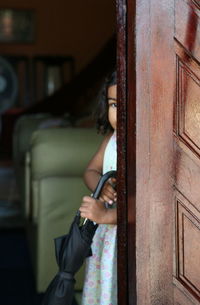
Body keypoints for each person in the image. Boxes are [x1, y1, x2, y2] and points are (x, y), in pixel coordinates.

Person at [79, 70, 117, 305]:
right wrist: (100, 187)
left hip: (124, 233)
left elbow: (146, 202)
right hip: (105, 235)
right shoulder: (110, 141)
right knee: (104, 284)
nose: (119, 112)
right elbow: (90, 171)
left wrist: (107, 215)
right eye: (114, 105)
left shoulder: (147, 145)